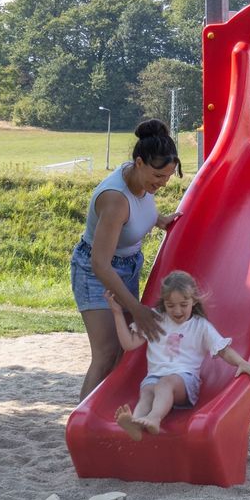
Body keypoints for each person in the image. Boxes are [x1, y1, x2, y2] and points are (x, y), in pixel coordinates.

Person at [72, 119, 182, 399]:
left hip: (128, 267)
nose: (162, 184)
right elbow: (100, 264)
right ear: (140, 162)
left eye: (168, 177)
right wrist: (137, 308)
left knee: (127, 348)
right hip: (96, 272)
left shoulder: (139, 181)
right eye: (158, 176)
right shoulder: (115, 200)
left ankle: (105, 416)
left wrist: (161, 220)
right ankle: (82, 426)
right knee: (106, 353)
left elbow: (139, 211)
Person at [105, 270, 250, 439]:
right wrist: (117, 313)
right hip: (155, 377)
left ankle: (154, 418)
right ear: (164, 302)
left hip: (185, 381)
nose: (177, 310)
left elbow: (223, 350)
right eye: (170, 305)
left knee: (165, 384)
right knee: (148, 391)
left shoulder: (200, 326)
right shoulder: (155, 319)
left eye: (183, 304)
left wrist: (242, 363)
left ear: (193, 301)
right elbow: (128, 343)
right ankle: (136, 422)